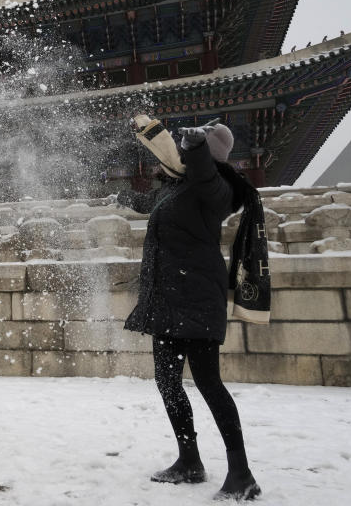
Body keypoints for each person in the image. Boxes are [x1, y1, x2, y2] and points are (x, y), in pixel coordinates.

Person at [120, 116, 262, 501]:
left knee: (208, 383)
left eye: (194, 148)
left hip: (198, 299)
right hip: (167, 299)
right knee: (166, 381)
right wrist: (124, 197)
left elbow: (203, 175)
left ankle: (242, 473)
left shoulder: (217, 190)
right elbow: (155, 202)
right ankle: (189, 459)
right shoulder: (181, 188)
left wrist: (198, 147)